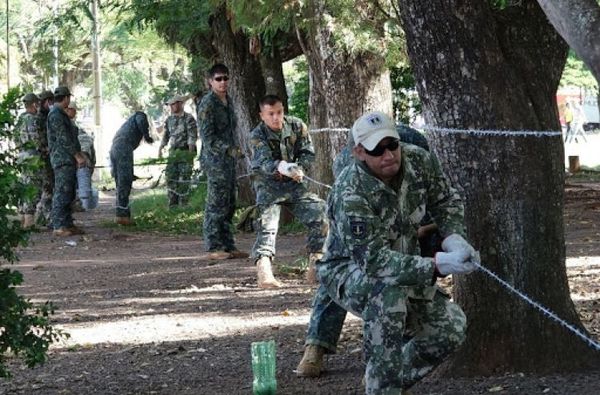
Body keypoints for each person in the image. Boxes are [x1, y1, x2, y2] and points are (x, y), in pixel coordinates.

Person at [297, 111, 478, 394]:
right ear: (359, 152)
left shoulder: (418, 159)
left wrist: (454, 237)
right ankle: (382, 387)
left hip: (404, 258)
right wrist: (437, 264)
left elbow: (445, 200)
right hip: (349, 269)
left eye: (392, 144)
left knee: (450, 326)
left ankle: (382, 379)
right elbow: (373, 261)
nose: (389, 154)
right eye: (377, 149)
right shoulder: (350, 190)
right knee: (388, 294)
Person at [249, 94, 328, 288]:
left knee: (322, 214)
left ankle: (316, 267)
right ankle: (264, 272)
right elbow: (265, 163)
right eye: (271, 114)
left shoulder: (296, 126)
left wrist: (300, 167)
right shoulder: (257, 135)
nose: (276, 117)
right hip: (269, 186)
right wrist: (285, 168)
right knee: (267, 226)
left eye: (279, 112)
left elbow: (308, 153)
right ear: (262, 115)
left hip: (294, 186)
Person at [196, 64, 248, 260]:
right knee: (216, 203)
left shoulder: (229, 100)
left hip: (229, 159)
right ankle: (213, 247)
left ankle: (228, 244)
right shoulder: (208, 103)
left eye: (225, 78)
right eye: (218, 79)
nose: (223, 82)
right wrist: (228, 149)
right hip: (215, 160)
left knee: (229, 202)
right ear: (210, 82)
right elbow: (208, 138)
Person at [47, 86, 87, 236]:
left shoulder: (61, 114)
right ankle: (58, 225)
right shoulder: (56, 115)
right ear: (66, 98)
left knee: (69, 192)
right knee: (62, 191)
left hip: (66, 158)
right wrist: (77, 155)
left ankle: (67, 223)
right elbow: (64, 138)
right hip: (62, 159)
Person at [110, 112, 154, 225]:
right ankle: (123, 216)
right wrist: (147, 136)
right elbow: (141, 121)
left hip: (115, 147)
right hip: (123, 147)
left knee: (120, 182)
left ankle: (120, 214)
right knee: (125, 182)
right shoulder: (140, 115)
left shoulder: (127, 125)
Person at [158, 94, 198, 208]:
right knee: (170, 177)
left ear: (180, 104)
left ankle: (183, 204)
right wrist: (160, 148)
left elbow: (192, 137)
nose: (170, 106)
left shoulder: (188, 118)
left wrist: (190, 155)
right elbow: (166, 135)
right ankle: (172, 204)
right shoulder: (169, 119)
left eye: (173, 104)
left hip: (185, 152)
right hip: (173, 153)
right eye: (170, 105)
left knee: (184, 178)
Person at [14, 93, 42, 228]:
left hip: (22, 156)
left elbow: (16, 140)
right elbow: (37, 139)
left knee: (24, 186)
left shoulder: (20, 119)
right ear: (34, 104)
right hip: (33, 158)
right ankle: (29, 221)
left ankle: (22, 218)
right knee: (33, 188)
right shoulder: (32, 119)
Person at [66, 102, 97, 211]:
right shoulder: (64, 124)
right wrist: (81, 157)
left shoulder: (73, 126)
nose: (75, 113)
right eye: (74, 110)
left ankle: (80, 203)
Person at [36, 90, 55, 226]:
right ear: (47, 102)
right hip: (43, 157)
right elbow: (41, 140)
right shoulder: (42, 118)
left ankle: (42, 217)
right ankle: (48, 218)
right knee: (48, 187)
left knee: (46, 187)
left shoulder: (44, 116)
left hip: (43, 156)